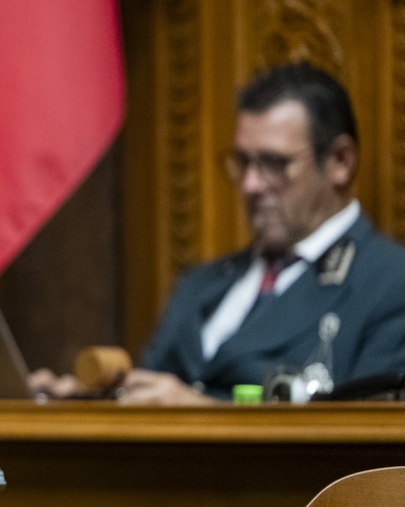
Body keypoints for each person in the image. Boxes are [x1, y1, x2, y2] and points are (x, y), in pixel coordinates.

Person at [31, 62, 405, 404]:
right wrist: (87, 401)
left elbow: (369, 450)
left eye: (274, 164)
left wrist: (203, 412)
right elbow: (149, 400)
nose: (251, 184)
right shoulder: (202, 285)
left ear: (340, 161)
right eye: (243, 162)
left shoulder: (389, 283)